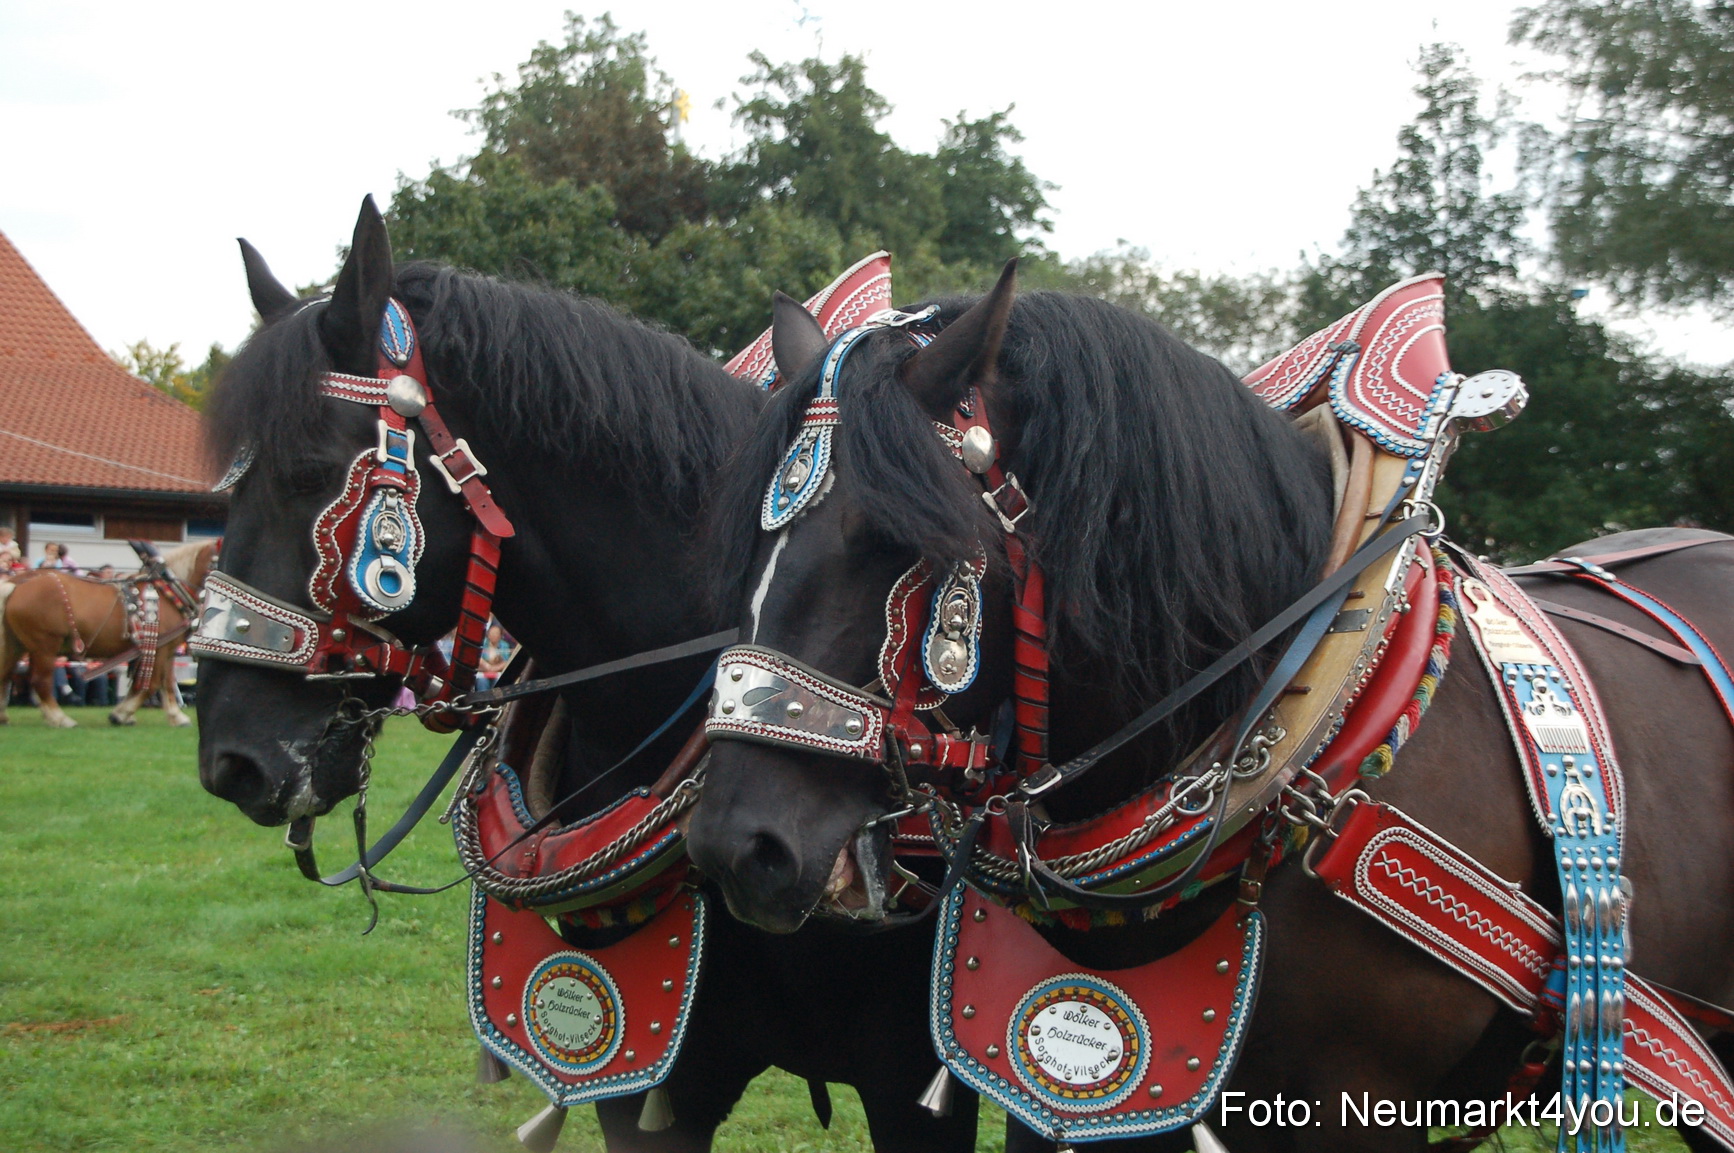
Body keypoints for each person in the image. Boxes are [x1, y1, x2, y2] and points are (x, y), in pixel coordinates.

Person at [476, 622, 513, 691]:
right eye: (492, 633)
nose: (494, 635)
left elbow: (506, 661)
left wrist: (494, 668)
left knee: (499, 681)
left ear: (500, 635)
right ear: (488, 634)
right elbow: (478, 658)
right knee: (482, 681)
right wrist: (488, 667)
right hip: (483, 672)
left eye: (496, 633)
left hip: (497, 672)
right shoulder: (482, 643)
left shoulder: (504, 645)